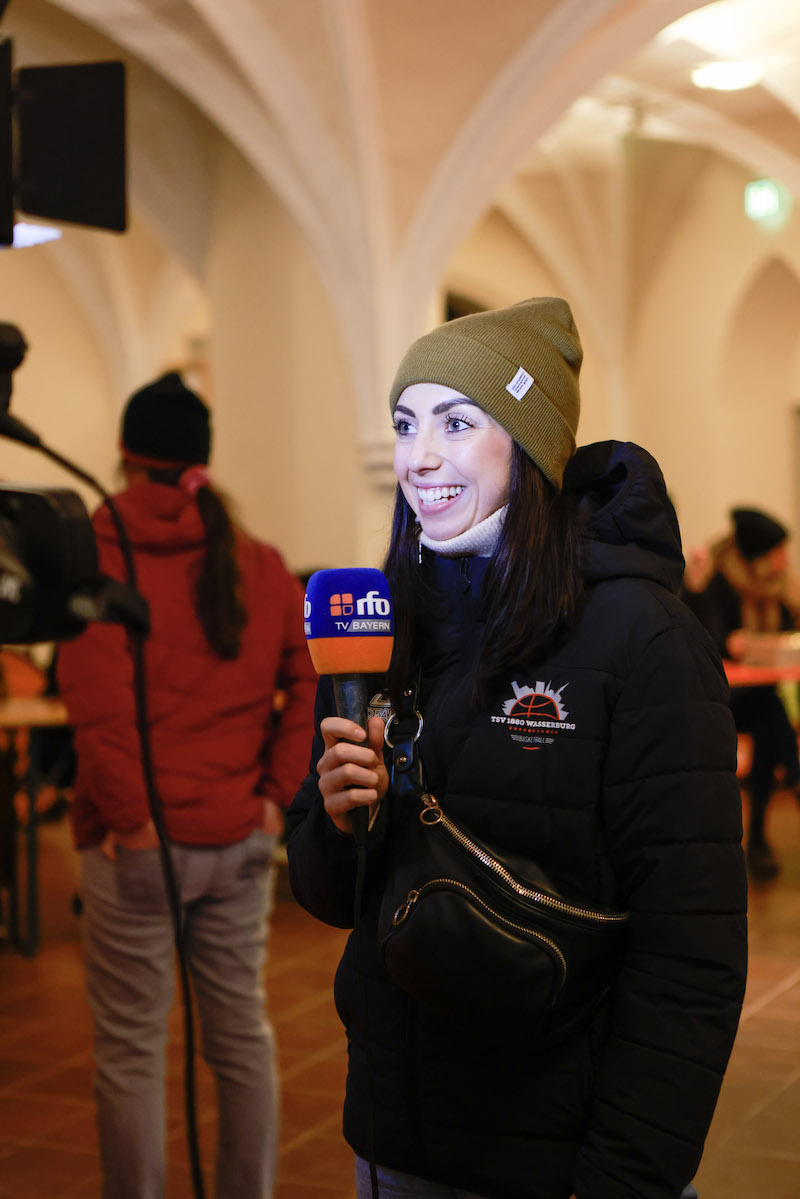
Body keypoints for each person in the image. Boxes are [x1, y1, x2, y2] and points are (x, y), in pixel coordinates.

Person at [285, 298, 748, 1199]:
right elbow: (329, 894)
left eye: (457, 422)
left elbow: (690, 952)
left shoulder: (641, 638)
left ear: (530, 446)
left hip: (561, 1158)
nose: (419, 457)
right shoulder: (381, 626)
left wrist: (623, 1175)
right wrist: (341, 822)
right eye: (405, 424)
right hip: (396, 1143)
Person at [58, 371, 316, 1199]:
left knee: (132, 1050)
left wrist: (132, 822)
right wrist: (273, 800)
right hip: (238, 837)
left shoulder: (95, 556)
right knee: (241, 1038)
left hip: (138, 846)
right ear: (201, 458)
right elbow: (310, 682)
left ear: (125, 454)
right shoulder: (259, 561)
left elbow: (98, 711)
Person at [683, 507, 800, 882]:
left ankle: (761, 838)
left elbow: (787, 629)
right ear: (759, 554)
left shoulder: (778, 585)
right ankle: (788, 792)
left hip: (758, 696)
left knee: (769, 719)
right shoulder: (718, 581)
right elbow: (714, 639)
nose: (784, 560)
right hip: (720, 698)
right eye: (778, 551)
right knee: (771, 712)